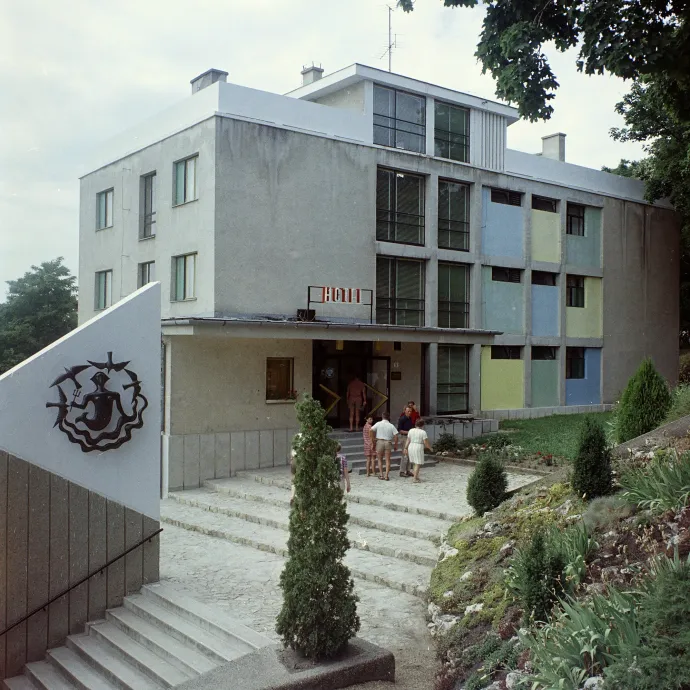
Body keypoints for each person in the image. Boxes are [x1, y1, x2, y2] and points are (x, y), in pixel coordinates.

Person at [370, 412, 399, 481]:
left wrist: (372, 439)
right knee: (387, 460)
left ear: (382, 417)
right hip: (388, 442)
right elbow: (396, 436)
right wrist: (395, 444)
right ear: (388, 417)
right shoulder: (391, 425)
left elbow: (370, 430)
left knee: (380, 459)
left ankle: (381, 474)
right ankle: (386, 475)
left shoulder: (378, 423)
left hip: (380, 441)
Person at [404, 418, 432, 483]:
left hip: (411, 446)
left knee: (414, 462)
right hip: (418, 446)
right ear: (422, 425)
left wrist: (405, 448)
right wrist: (430, 448)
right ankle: (415, 478)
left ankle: (416, 476)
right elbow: (426, 442)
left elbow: (408, 440)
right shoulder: (423, 432)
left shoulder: (411, 430)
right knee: (417, 463)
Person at [397, 406, 415, 478]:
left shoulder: (410, 418)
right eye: (408, 411)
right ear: (404, 411)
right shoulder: (402, 419)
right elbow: (400, 430)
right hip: (404, 437)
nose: (409, 413)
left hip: (409, 437)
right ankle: (402, 471)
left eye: (410, 411)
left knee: (409, 455)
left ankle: (408, 470)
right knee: (405, 455)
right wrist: (409, 432)